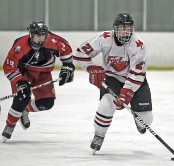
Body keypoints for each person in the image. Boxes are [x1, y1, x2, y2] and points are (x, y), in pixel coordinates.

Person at [74, 13, 153, 152]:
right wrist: (90, 68)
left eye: (128, 29)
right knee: (106, 104)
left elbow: (137, 73)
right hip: (112, 78)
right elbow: (81, 53)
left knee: (146, 121)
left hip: (134, 79)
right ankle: (99, 135)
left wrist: (126, 93)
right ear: (115, 29)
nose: (125, 32)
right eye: (122, 28)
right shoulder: (103, 38)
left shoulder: (138, 45)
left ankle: (139, 118)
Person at [2, 21, 75, 142]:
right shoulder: (20, 46)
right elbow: (9, 67)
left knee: (47, 103)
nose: (42, 38)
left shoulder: (53, 41)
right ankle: (10, 125)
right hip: (23, 71)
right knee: (22, 97)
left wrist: (68, 66)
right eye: (38, 35)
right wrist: (19, 81)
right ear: (31, 35)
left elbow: (66, 49)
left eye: (43, 35)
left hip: (43, 73)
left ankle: (24, 110)